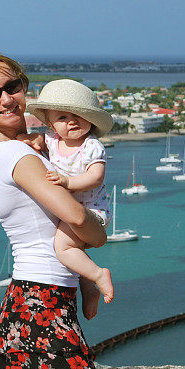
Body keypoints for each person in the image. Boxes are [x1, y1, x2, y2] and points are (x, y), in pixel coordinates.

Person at [0, 50, 105, 369]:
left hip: (32, 298)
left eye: (13, 86)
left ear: (25, 87)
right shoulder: (16, 155)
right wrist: (99, 236)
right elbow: (77, 216)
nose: (7, 99)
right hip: (43, 298)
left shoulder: (2, 149)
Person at [23, 79, 115, 309]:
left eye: (78, 115)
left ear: (91, 121)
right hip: (69, 209)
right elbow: (41, 141)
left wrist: (68, 182)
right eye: (62, 117)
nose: (71, 121)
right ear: (52, 126)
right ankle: (89, 290)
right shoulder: (53, 140)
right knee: (77, 250)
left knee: (64, 248)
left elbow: (97, 176)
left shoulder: (91, 146)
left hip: (92, 210)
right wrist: (32, 140)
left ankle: (98, 274)